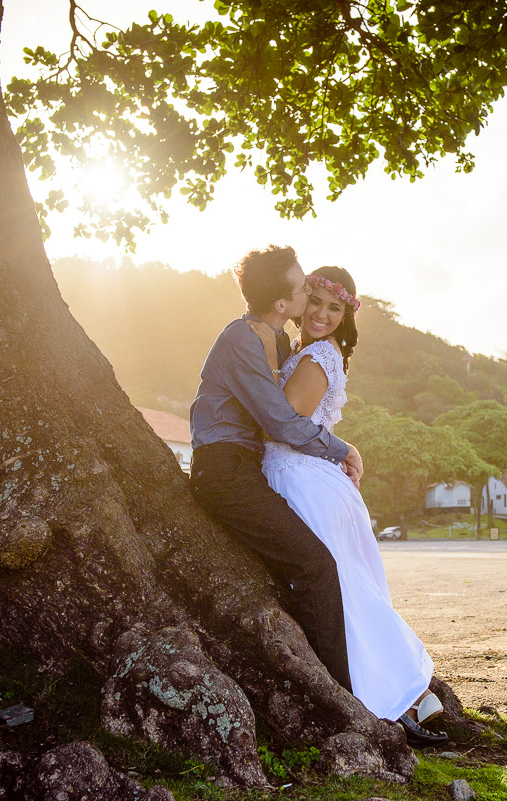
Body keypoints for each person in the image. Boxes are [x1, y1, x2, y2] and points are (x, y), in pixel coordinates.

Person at [261, 265, 448, 748]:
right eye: (317, 301)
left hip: (300, 479)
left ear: (346, 315)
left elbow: (281, 423)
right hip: (316, 479)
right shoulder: (311, 353)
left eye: (334, 308)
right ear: (301, 299)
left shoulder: (317, 356)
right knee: (351, 586)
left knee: (342, 592)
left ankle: (391, 695)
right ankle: (413, 695)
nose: (322, 314)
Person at [189, 245, 362, 694]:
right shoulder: (241, 339)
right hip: (224, 471)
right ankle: (338, 694)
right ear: (282, 304)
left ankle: (340, 684)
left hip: (249, 468)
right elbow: (281, 421)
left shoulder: (279, 341)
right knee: (314, 566)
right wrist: (341, 448)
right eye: (305, 288)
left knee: (312, 565)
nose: (312, 293)